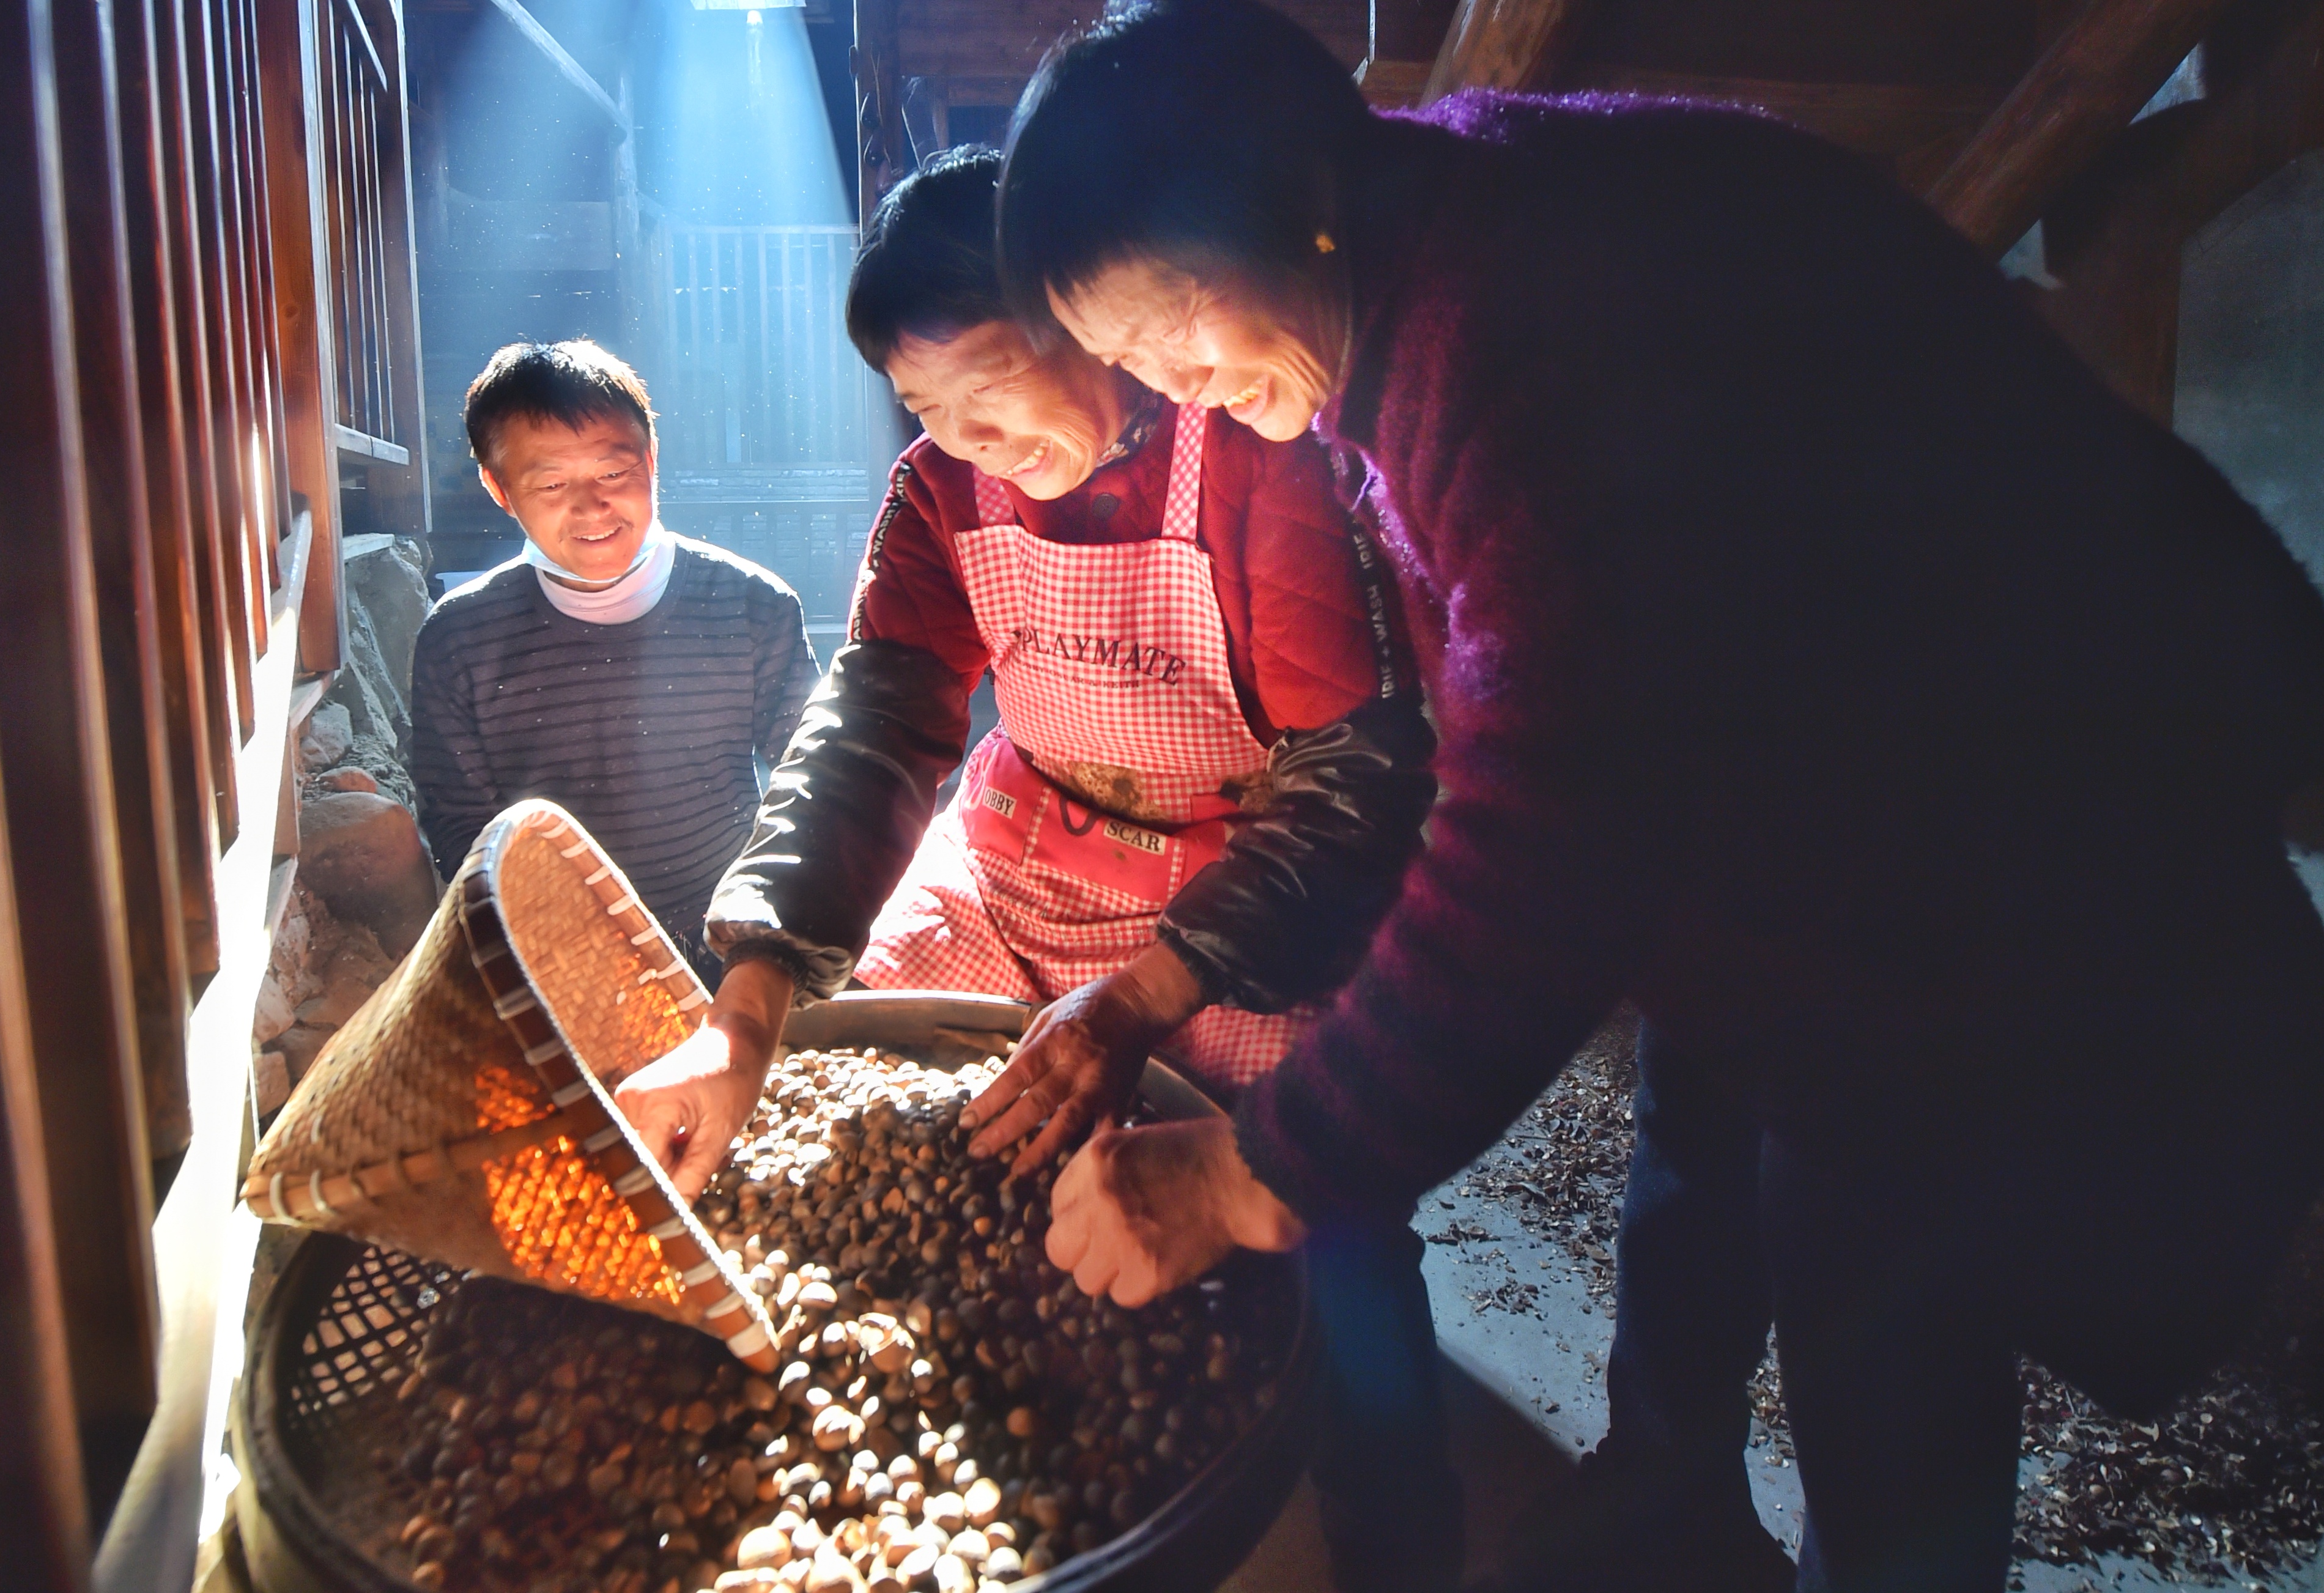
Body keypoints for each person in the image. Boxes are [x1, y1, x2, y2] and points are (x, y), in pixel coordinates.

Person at [990, 4, 2324, 1592]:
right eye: (1143, 368)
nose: (1186, 394)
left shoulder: (1525, 321)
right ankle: (1670, 1494)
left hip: (2012, 874)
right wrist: (1154, 991)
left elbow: (1543, 821)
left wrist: (1250, 1171)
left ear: (1276, 194)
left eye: (1170, 334)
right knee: (1711, 1152)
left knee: (1881, 1292)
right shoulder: (1414, 260)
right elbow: (1472, 718)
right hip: (1810, 815)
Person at [612, 147, 1456, 1587]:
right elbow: (875, 720)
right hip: (1029, 857)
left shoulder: (1252, 461)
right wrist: (741, 1008)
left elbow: (1353, 794)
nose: (965, 433)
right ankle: (1001, 1419)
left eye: (989, 380)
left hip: (1238, 892)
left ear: (1091, 325)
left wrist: (1137, 1001)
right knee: (923, 1136)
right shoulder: (937, 492)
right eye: (926, 404)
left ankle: (1402, 1535)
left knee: (1325, 1214)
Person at [412, 339, 816, 978]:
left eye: (613, 472)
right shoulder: (461, 639)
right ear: (499, 488)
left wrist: (770, 929)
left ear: (651, 460)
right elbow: (464, 826)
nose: (591, 506)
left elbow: (808, 779)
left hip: (731, 947)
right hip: (559, 961)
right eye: (550, 482)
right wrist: (559, 946)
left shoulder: (750, 603)